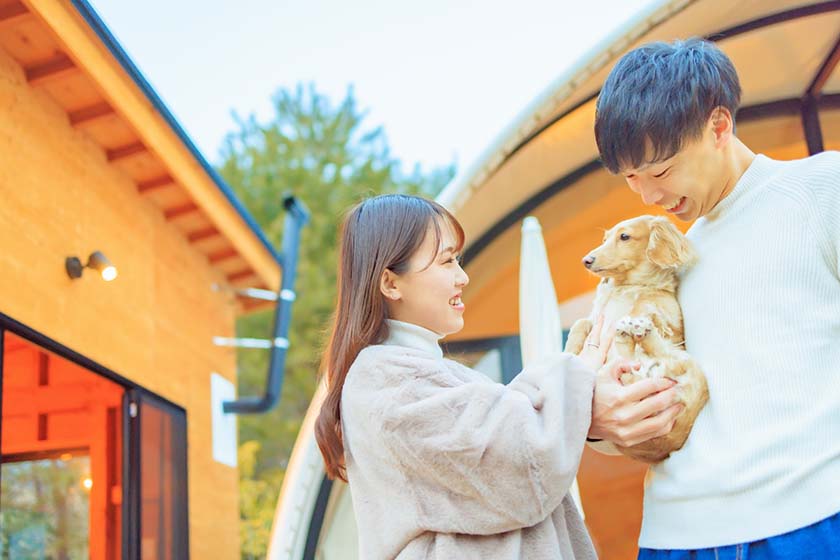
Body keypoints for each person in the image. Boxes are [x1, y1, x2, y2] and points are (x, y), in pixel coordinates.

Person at [313, 193, 675, 559]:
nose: (462, 277)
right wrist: (577, 380)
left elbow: (502, 433)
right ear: (390, 283)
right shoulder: (388, 386)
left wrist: (580, 392)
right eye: (447, 261)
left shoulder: (419, 374)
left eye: (459, 260)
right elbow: (520, 466)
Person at [593, 38, 840, 558]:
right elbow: (616, 368)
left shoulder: (822, 189)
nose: (649, 197)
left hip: (811, 519)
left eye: (660, 172)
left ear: (719, 126)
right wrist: (602, 420)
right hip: (673, 536)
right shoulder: (662, 254)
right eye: (632, 179)